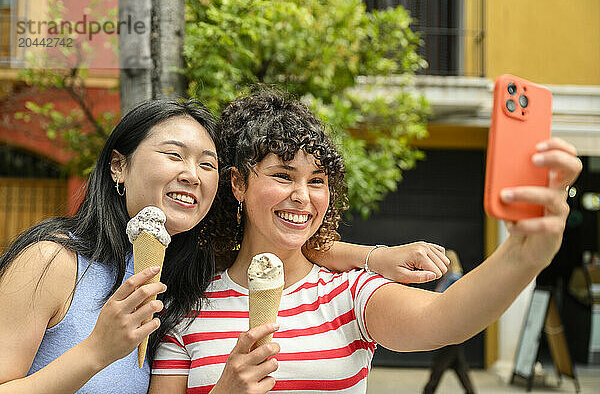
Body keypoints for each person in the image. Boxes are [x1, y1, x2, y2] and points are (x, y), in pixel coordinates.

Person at [0, 98, 447, 394]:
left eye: (207, 163)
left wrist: (373, 257)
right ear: (118, 165)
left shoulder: (183, 272)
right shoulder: (53, 260)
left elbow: (286, 246)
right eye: (174, 155)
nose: (192, 174)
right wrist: (95, 351)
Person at [149, 89, 582, 394]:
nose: (302, 195)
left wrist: (522, 256)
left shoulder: (348, 292)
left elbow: (445, 318)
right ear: (239, 184)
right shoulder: (186, 308)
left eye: (317, 181)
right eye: (283, 175)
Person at [423, 250, 476, 394]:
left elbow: (453, 301)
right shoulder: (448, 278)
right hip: (449, 326)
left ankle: (428, 391)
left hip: (451, 327)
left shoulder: (455, 278)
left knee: (439, 364)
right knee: (459, 366)